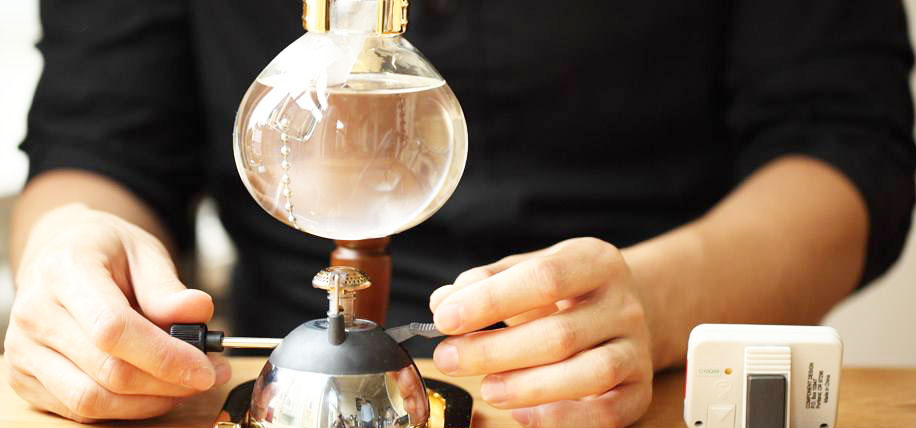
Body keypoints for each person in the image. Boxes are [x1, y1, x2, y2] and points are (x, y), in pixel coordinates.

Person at [5, 1, 915, 427]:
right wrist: (70, 257)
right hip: (283, 387)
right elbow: (98, 145)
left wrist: (658, 301)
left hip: (639, 378)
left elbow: (845, 142)